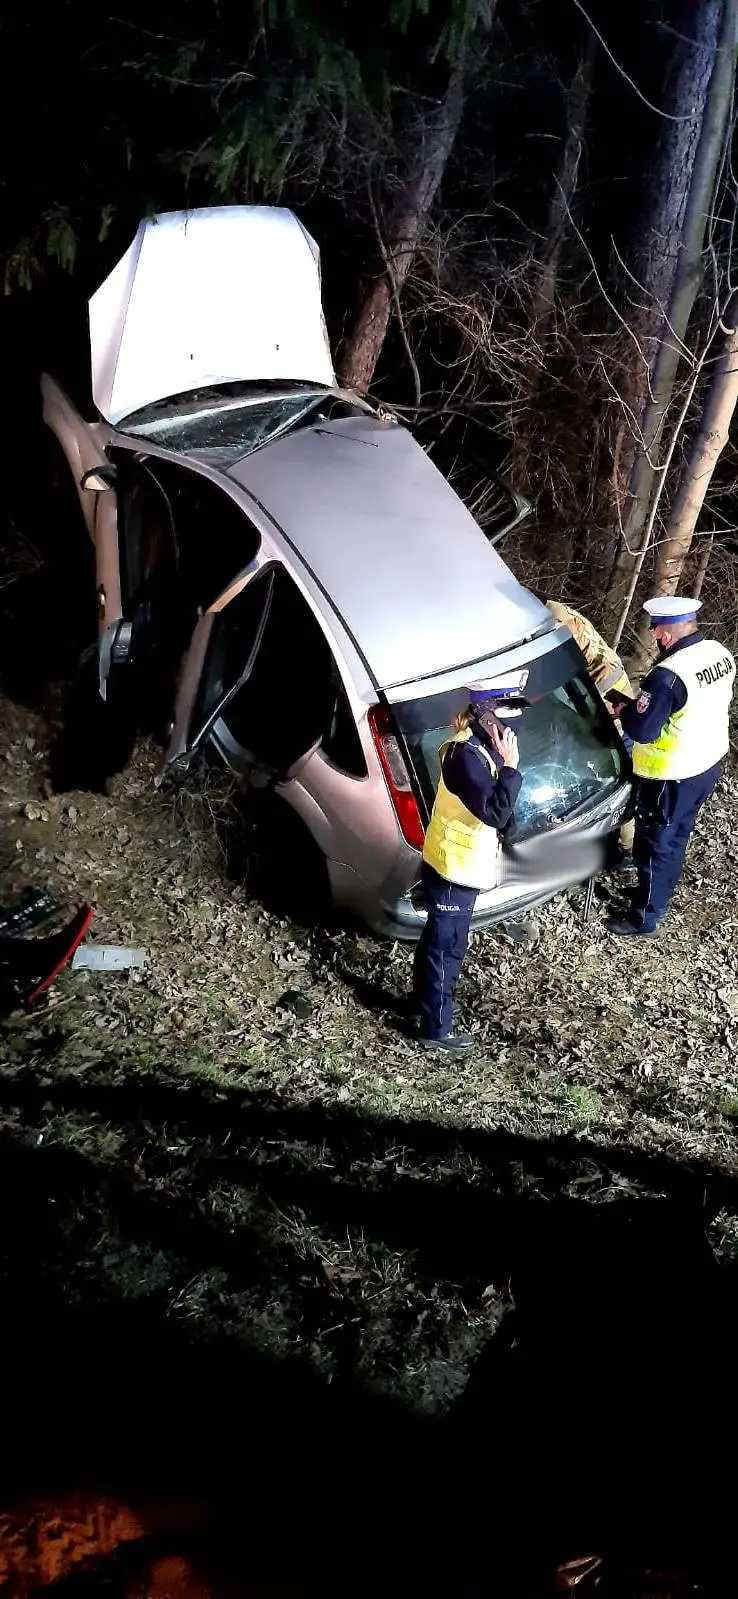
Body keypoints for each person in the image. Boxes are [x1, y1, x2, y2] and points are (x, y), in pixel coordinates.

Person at [605, 595, 735, 937]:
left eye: (658, 631)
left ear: (668, 633)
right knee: (676, 835)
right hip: (706, 764)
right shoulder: (717, 653)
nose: (657, 638)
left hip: (671, 774)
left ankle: (644, 916)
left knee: (655, 843)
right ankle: (660, 893)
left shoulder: (667, 676)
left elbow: (642, 730)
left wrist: (624, 710)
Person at [412, 681, 524, 1052]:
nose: (515, 724)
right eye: (508, 713)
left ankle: (427, 1005)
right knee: (447, 947)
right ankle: (435, 1029)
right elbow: (494, 811)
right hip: (451, 868)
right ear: (484, 716)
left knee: (439, 942)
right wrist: (511, 769)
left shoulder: (482, 749)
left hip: (459, 864)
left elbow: (497, 810)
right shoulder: (465, 757)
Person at [546, 598, 635, 859]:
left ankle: (625, 844)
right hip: (609, 685)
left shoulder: (554, 622)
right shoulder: (555, 610)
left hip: (606, 694)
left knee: (613, 764)